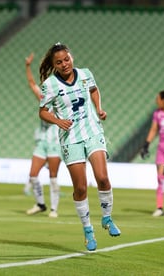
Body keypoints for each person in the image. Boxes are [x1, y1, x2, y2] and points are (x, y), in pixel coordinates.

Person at [38, 43, 120, 251]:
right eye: (59, 62)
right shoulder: (50, 85)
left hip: (93, 131)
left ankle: (107, 218)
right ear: (54, 65)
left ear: (71, 57)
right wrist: (58, 121)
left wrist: (99, 109)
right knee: (81, 187)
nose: (64, 64)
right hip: (70, 138)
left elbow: (93, 90)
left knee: (102, 177)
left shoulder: (85, 74)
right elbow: (43, 111)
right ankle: (88, 231)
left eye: (66, 59)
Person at [24, 53, 62, 218]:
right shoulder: (43, 97)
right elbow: (32, 83)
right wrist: (27, 66)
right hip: (42, 142)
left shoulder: (62, 98)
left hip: (55, 142)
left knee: (53, 177)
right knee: (33, 175)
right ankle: (40, 204)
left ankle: (54, 209)